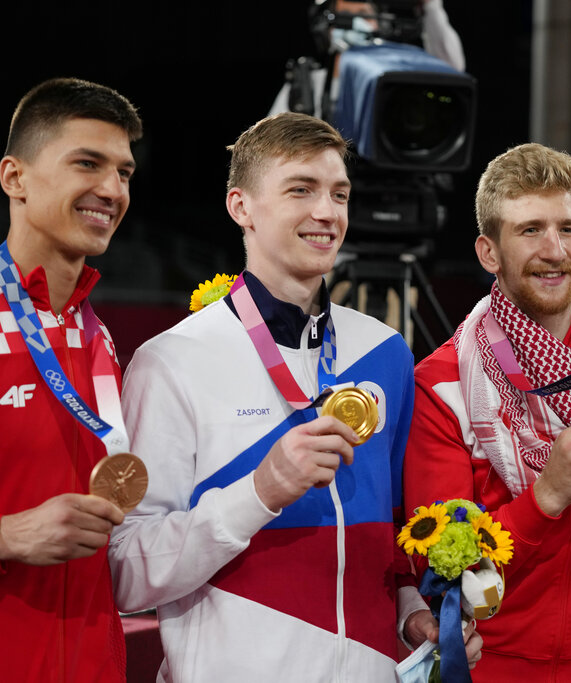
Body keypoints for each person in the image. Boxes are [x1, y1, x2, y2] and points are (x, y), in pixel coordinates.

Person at [108, 111, 481, 682]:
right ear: (241, 207)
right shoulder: (172, 361)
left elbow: (396, 533)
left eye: (340, 193)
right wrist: (258, 492)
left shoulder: (383, 352)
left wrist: (411, 612)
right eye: (300, 190)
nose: (327, 213)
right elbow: (125, 570)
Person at [404, 142, 571, 680]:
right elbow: (440, 567)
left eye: (567, 229)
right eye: (530, 230)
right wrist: (546, 495)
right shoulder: (446, 381)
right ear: (488, 252)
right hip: (494, 666)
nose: (554, 250)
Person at [0, 77, 142, 682]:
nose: (111, 190)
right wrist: (2, 537)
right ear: (14, 178)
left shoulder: (96, 336)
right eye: (87, 163)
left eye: (124, 172)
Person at [270, 0, 465, 119]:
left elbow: (451, 71)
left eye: (364, 15)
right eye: (344, 16)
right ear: (326, 29)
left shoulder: (397, 79)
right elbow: (272, 146)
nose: (355, 23)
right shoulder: (309, 83)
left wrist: (431, 6)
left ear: (379, 24)